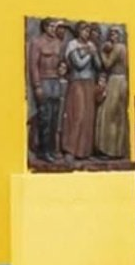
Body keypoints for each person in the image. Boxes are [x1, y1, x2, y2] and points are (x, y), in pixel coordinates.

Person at [61, 21, 100, 162]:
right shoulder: (72, 45)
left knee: (88, 116)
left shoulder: (91, 45)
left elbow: (99, 65)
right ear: (78, 31)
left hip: (89, 82)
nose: (86, 34)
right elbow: (78, 64)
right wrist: (90, 53)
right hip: (77, 82)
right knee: (78, 114)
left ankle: (84, 151)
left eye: (88, 31)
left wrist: (95, 54)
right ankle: (70, 149)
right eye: (84, 30)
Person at [27, 18, 63, 162]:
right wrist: (37, 85)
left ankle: (52, 149)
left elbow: (61, 62)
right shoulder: (37, 42)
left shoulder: (58, 43)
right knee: (45, 118)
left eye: (55, 26)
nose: (54, 29)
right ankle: (44, 150)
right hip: (44, 80)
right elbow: (33, 65)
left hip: (56, 81)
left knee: (55, 118)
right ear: (45, 27)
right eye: (51, 26)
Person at [94, 26, 129, 159]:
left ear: (119, 36)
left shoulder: (118, 47)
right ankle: (119, 149)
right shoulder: (125, 48)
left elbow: (107, 64)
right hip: (123, 80)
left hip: (115, 81)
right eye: (111, 34)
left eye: (114, 34)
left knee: (109, 116)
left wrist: (102, 52)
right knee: (119, 116)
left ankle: (111, 150)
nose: (112, 37)